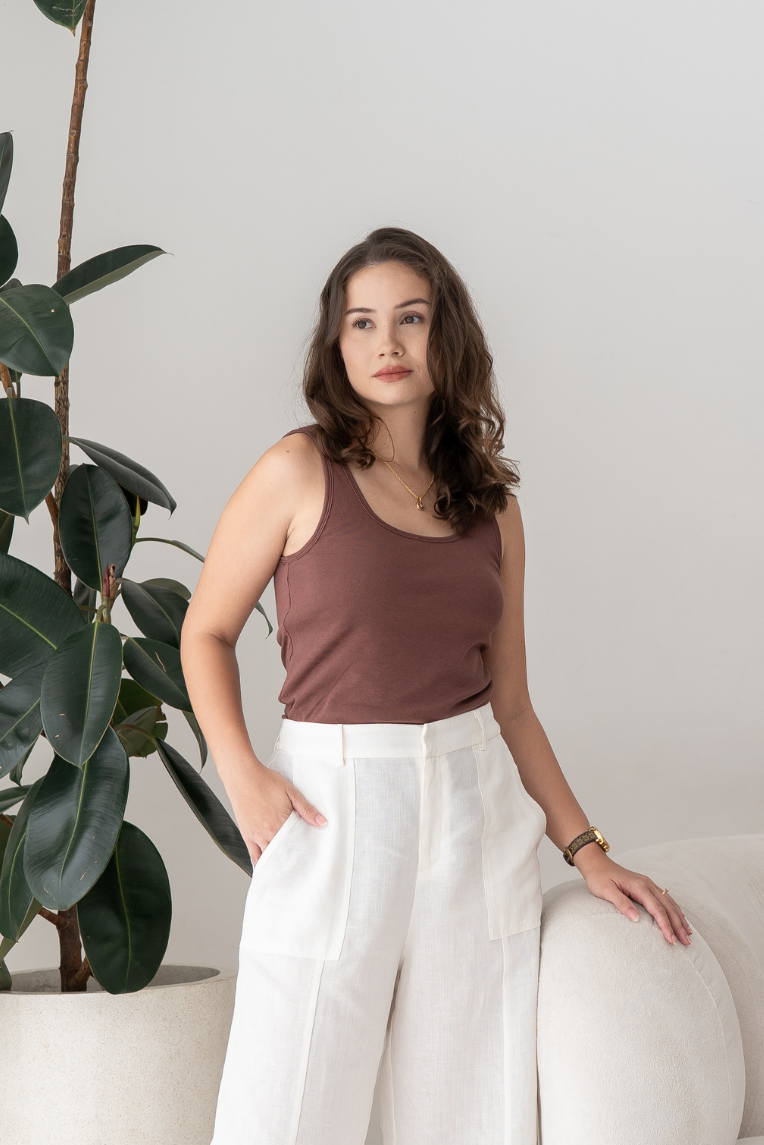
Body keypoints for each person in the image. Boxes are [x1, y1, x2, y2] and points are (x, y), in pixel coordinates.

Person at [180, 226, 692, 1145]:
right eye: (362, 323)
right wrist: (242, 772)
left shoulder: (491, 504)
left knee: (471, 1106)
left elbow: (512, 704)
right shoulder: (297, 469)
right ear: (337, 345)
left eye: (410, 318)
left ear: (444, 333)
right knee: (287, 1103)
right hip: (334, 806)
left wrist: (587, 850)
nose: (387, 343)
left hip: (473, 808)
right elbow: (205, 631)